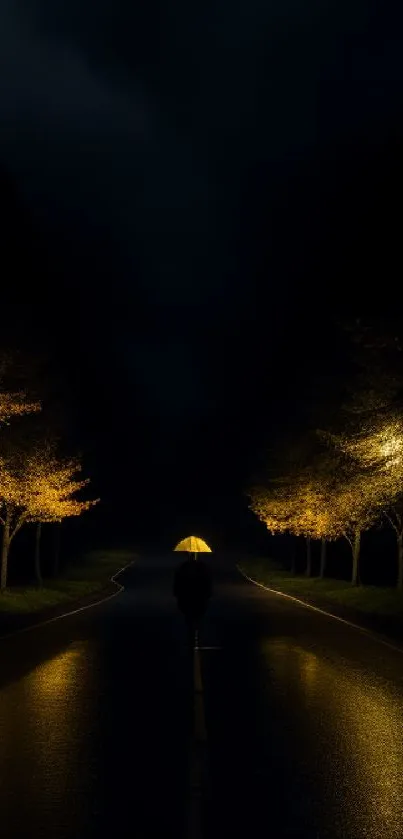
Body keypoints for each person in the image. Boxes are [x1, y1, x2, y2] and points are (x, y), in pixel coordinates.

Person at [173, 553, 212, 635]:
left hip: (188, 595)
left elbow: (178, 580)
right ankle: (195, 631)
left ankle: (192, 631)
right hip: (197, 596)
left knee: (190, 614)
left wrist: (176, 592)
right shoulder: (202, 567)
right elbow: (207, 581)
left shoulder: (184, 566)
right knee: (196, 614)